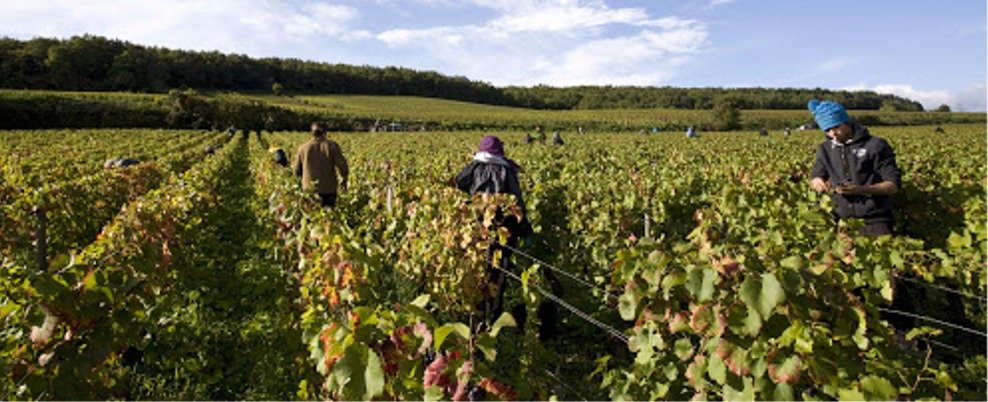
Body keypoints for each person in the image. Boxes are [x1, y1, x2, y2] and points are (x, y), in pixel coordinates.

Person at [454, 135, 533, 321]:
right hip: (504, 229)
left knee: (476, 268)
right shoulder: (506, 170)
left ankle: (475, 312)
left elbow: (458, 185)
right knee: (497, 272)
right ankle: (493, 316)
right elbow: (518, 202)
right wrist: (526, 229)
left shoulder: (473, 167)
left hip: (477, 227)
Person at [807, 99, 901, 236]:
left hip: (874, 220)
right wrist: (817, 182)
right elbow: (816, 177)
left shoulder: (875, 145)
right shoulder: (825, 149)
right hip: (841, 222)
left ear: (846, 121)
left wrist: (862, 190)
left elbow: (893, 185)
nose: (833, 133)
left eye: (836, 127)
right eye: (827, 130)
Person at [293, 122, 349, 207]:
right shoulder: (332, 146)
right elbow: (343, 168)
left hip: (309, 191)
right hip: (328, 190)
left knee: (311, 217)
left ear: (311, 133)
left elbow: (296, 171)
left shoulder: (303, 147)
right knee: (328, 218)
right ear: (325, 132)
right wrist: (344, 180)